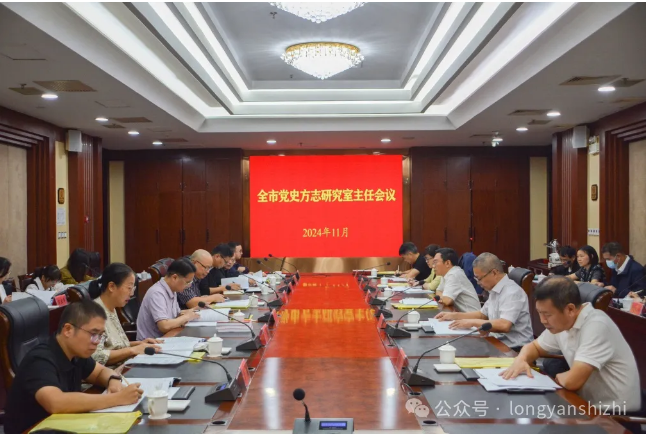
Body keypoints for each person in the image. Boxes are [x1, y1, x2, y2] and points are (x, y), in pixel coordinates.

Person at [500, 276, 641, 412]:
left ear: (570, 309)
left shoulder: (597, 325)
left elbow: (572, 381)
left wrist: (559, 377)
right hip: (585, 405)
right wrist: (521, 359)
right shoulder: (563, 323)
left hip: (615, 415)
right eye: (539, 313)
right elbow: (534, 347)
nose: (542, 320)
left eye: (547, 315)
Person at [5, 300, 144, 434]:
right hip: (34, 430)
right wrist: (117, 398)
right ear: (68, 330)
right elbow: (56, 403)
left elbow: (100, 371)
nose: (97, 342)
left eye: (100, 336)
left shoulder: (75, 353)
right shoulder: (39, 360)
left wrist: (113, 380)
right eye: (93, 334)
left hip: (62, 425)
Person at [435, 252, 533, 352]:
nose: (478, 283)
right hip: (496, 342)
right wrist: (454, 316)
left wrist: (472, 322)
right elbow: (482, 315)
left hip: (514, 349)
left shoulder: (512, 292)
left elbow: (504, 325)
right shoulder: (495, 289)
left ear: (494, 273)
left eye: (479, 278)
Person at [92, 263, 162, 368]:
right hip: (109, 374)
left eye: (133, 289)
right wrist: (132, 350)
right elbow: (96, 356)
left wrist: (139, 344)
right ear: (111, 286)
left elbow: (114, 346)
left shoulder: (111, 307)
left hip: (124, 366)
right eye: (129, 288)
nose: (131, 294)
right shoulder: (93, 314)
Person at [136, 259, 201, 341]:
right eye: (187, 282)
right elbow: (164, 326)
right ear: (174, 277)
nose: (188, 286)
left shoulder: (172, 289)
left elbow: (176, 314)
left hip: (167, 337)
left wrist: (194, 310)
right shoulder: (157, 293)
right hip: (150, 343)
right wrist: (186, 317)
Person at [433, 248, 481, 312]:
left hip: (471, 315)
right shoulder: (446, 274)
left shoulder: (454, 274)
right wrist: (443, 298)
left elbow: (447, 300)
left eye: (435, 262)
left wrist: (443, 298)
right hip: (460, 313)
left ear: (447, 263)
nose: (433, 266)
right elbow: (438, 291)